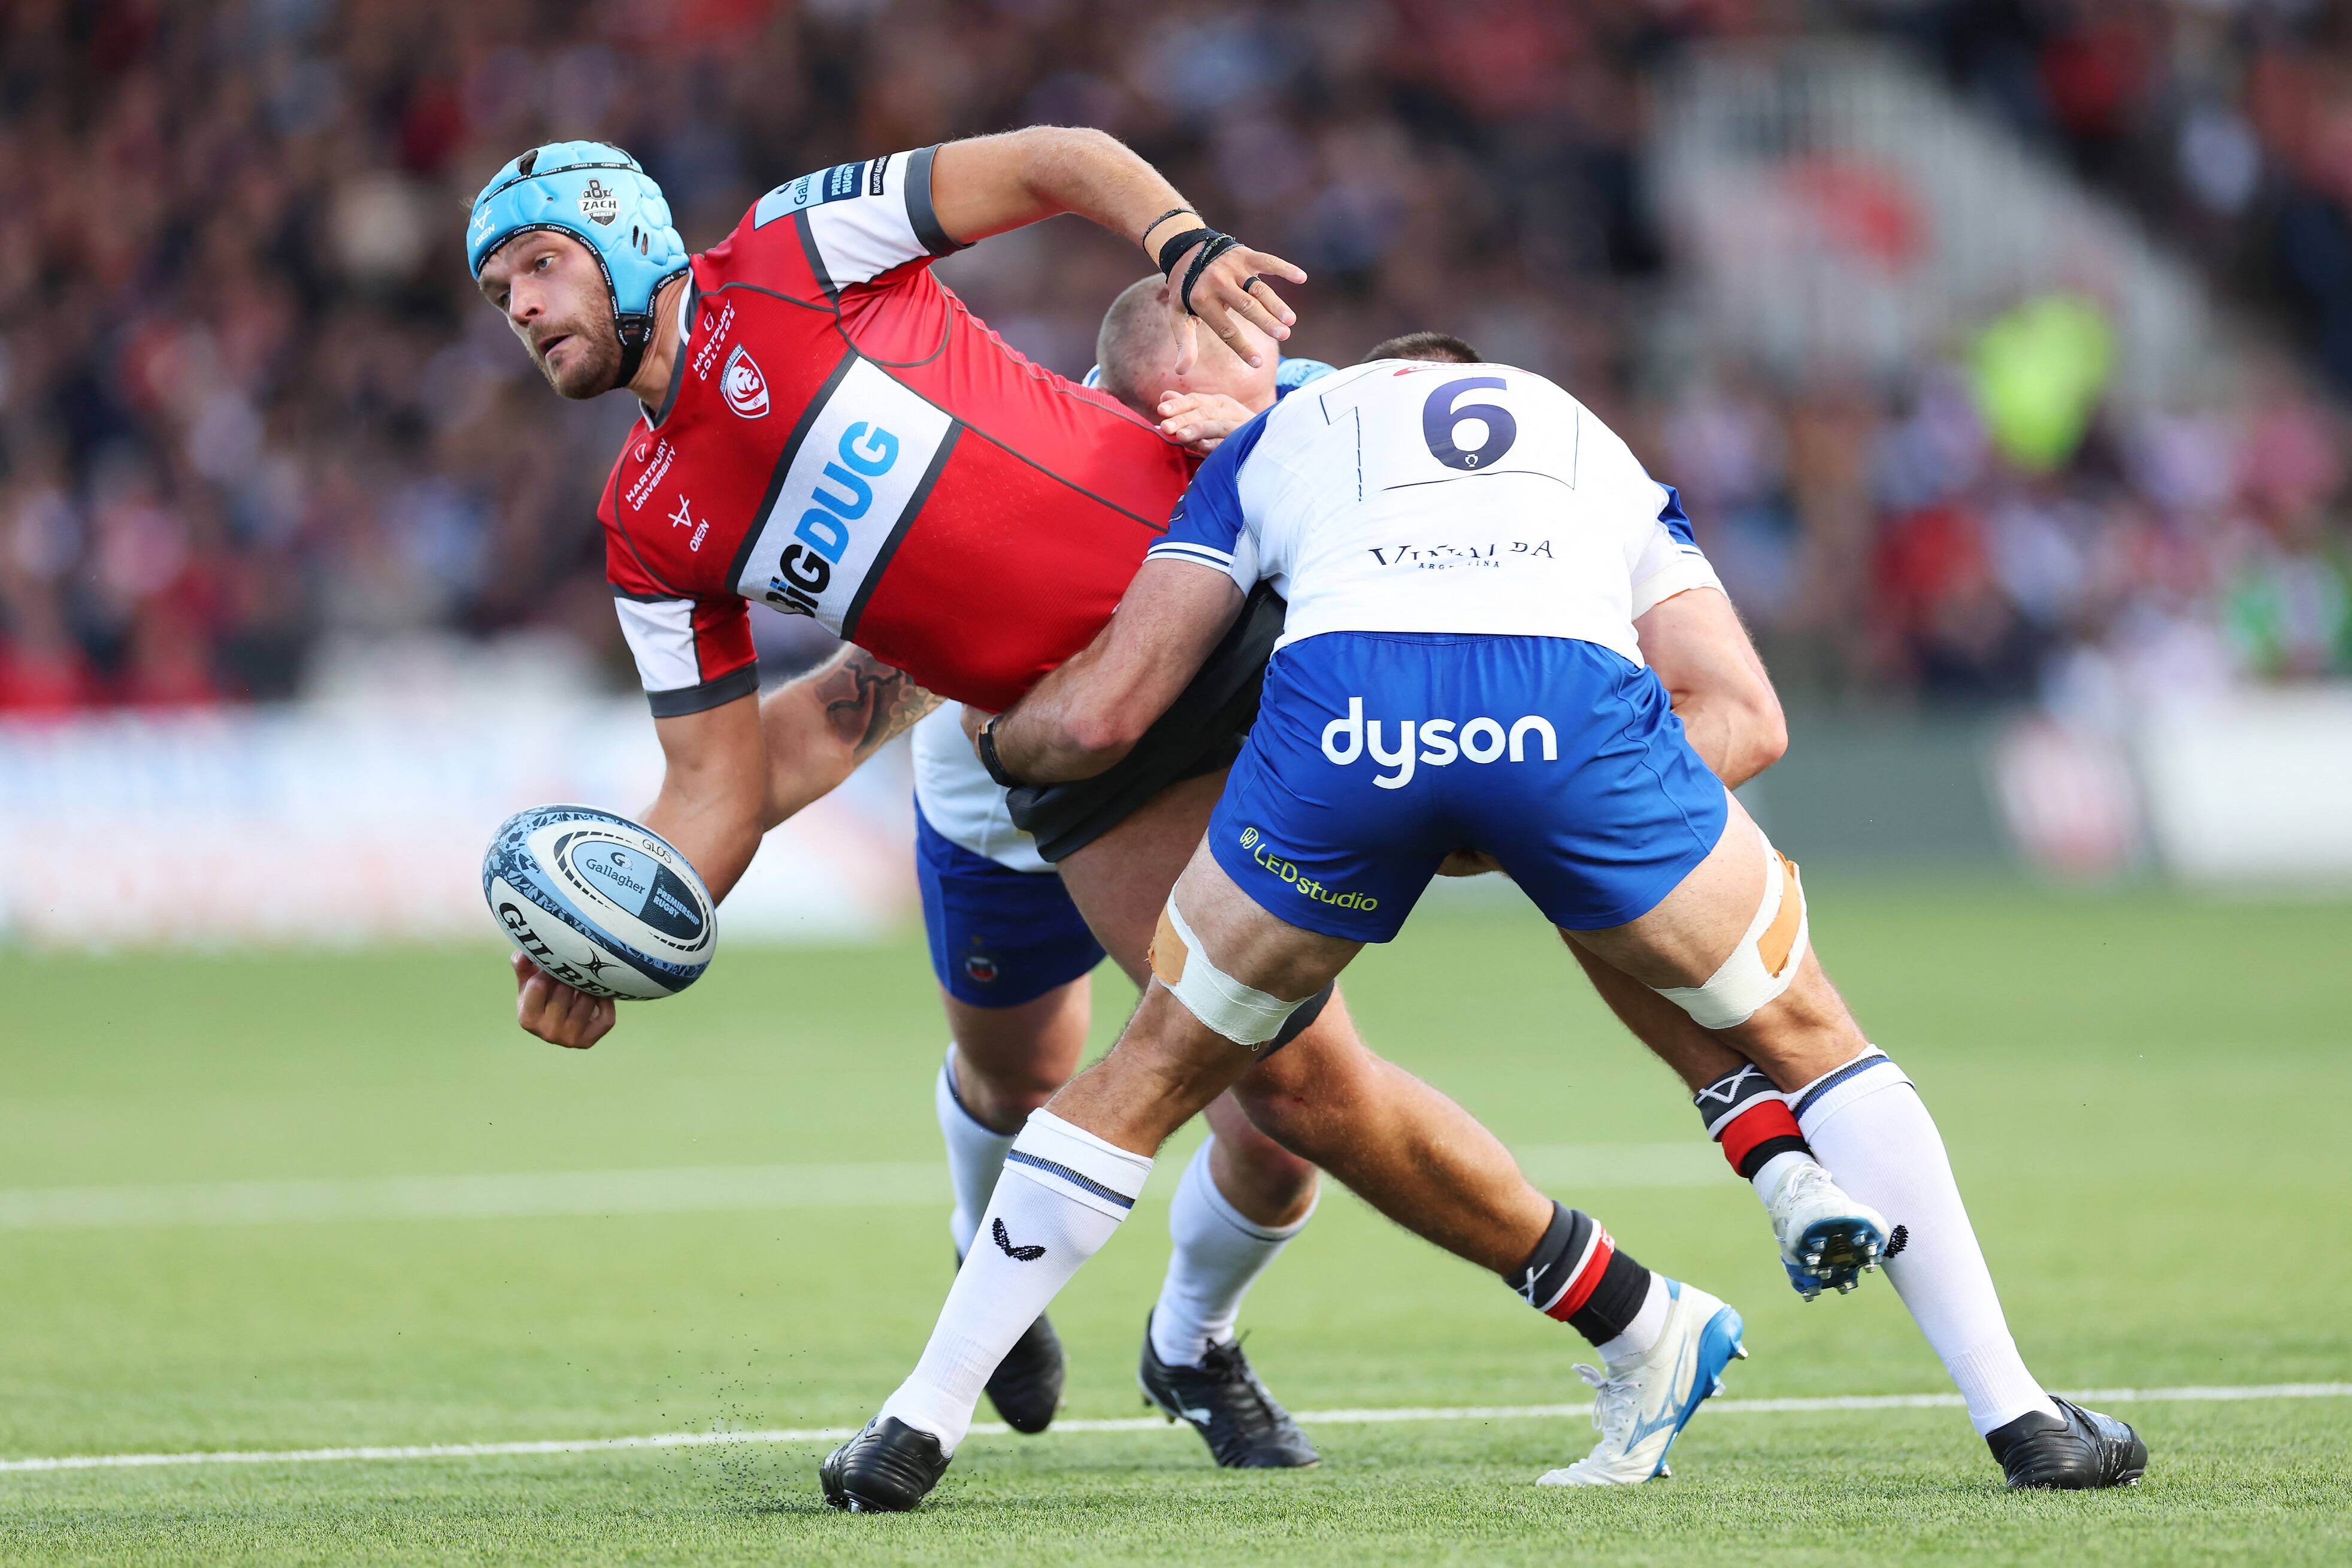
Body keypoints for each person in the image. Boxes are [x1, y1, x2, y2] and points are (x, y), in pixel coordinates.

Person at [467, 132, 1875, 1481]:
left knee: (1500, 874)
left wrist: (1180, 243)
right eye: (497, 295)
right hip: (1075, 753)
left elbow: (1046, 156)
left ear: (623, 233)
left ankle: (1758, 1160)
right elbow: (720, 785)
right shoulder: (649, 530)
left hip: (1239, 612)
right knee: (1272, 1085)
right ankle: (1640, 1315)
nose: (522, 309)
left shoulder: (786, 251)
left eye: (537, 265)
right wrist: (616, 928)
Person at [822, 347, 2148, 1511]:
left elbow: (1110, 710)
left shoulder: (1284, 434)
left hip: (1344, 717)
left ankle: (916, 1422)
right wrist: (1525, 817)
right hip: (1562, 706)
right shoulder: (1578, 430)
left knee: (1156, 1064)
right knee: (1813, 1034)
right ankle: (2016, 1412)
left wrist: (1006, 733)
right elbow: (1744, 714)